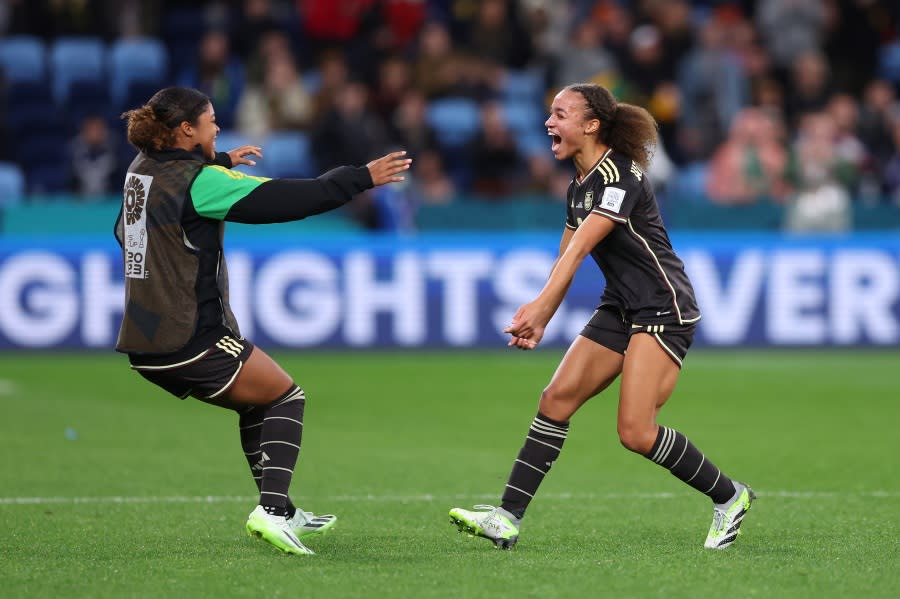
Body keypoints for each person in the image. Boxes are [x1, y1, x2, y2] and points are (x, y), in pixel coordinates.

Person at [448, 83, 753, 550]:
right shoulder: (578, 186)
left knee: (635, 432)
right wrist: (542, 315)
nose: (549, 123)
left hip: (662, 307)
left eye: (560, 114)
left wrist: (538, 307)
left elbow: (581, 250)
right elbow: (564, 256)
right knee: (555, 400)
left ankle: (730, 497)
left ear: (591, 125)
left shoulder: (621, 176)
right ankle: (506, 518)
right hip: (621, 305)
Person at [114, 86, 411, 556]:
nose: (217, 127)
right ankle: (271, 512)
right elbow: (290, 199)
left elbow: (166, 194)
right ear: (186, 130)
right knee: (284, 395)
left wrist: (222, 160)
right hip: (189, 336)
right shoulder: (201, 183)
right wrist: (362, 178)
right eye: (210, 120)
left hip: (143, 337)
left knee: (255, 403)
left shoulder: (140, 171)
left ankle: (283, 508)